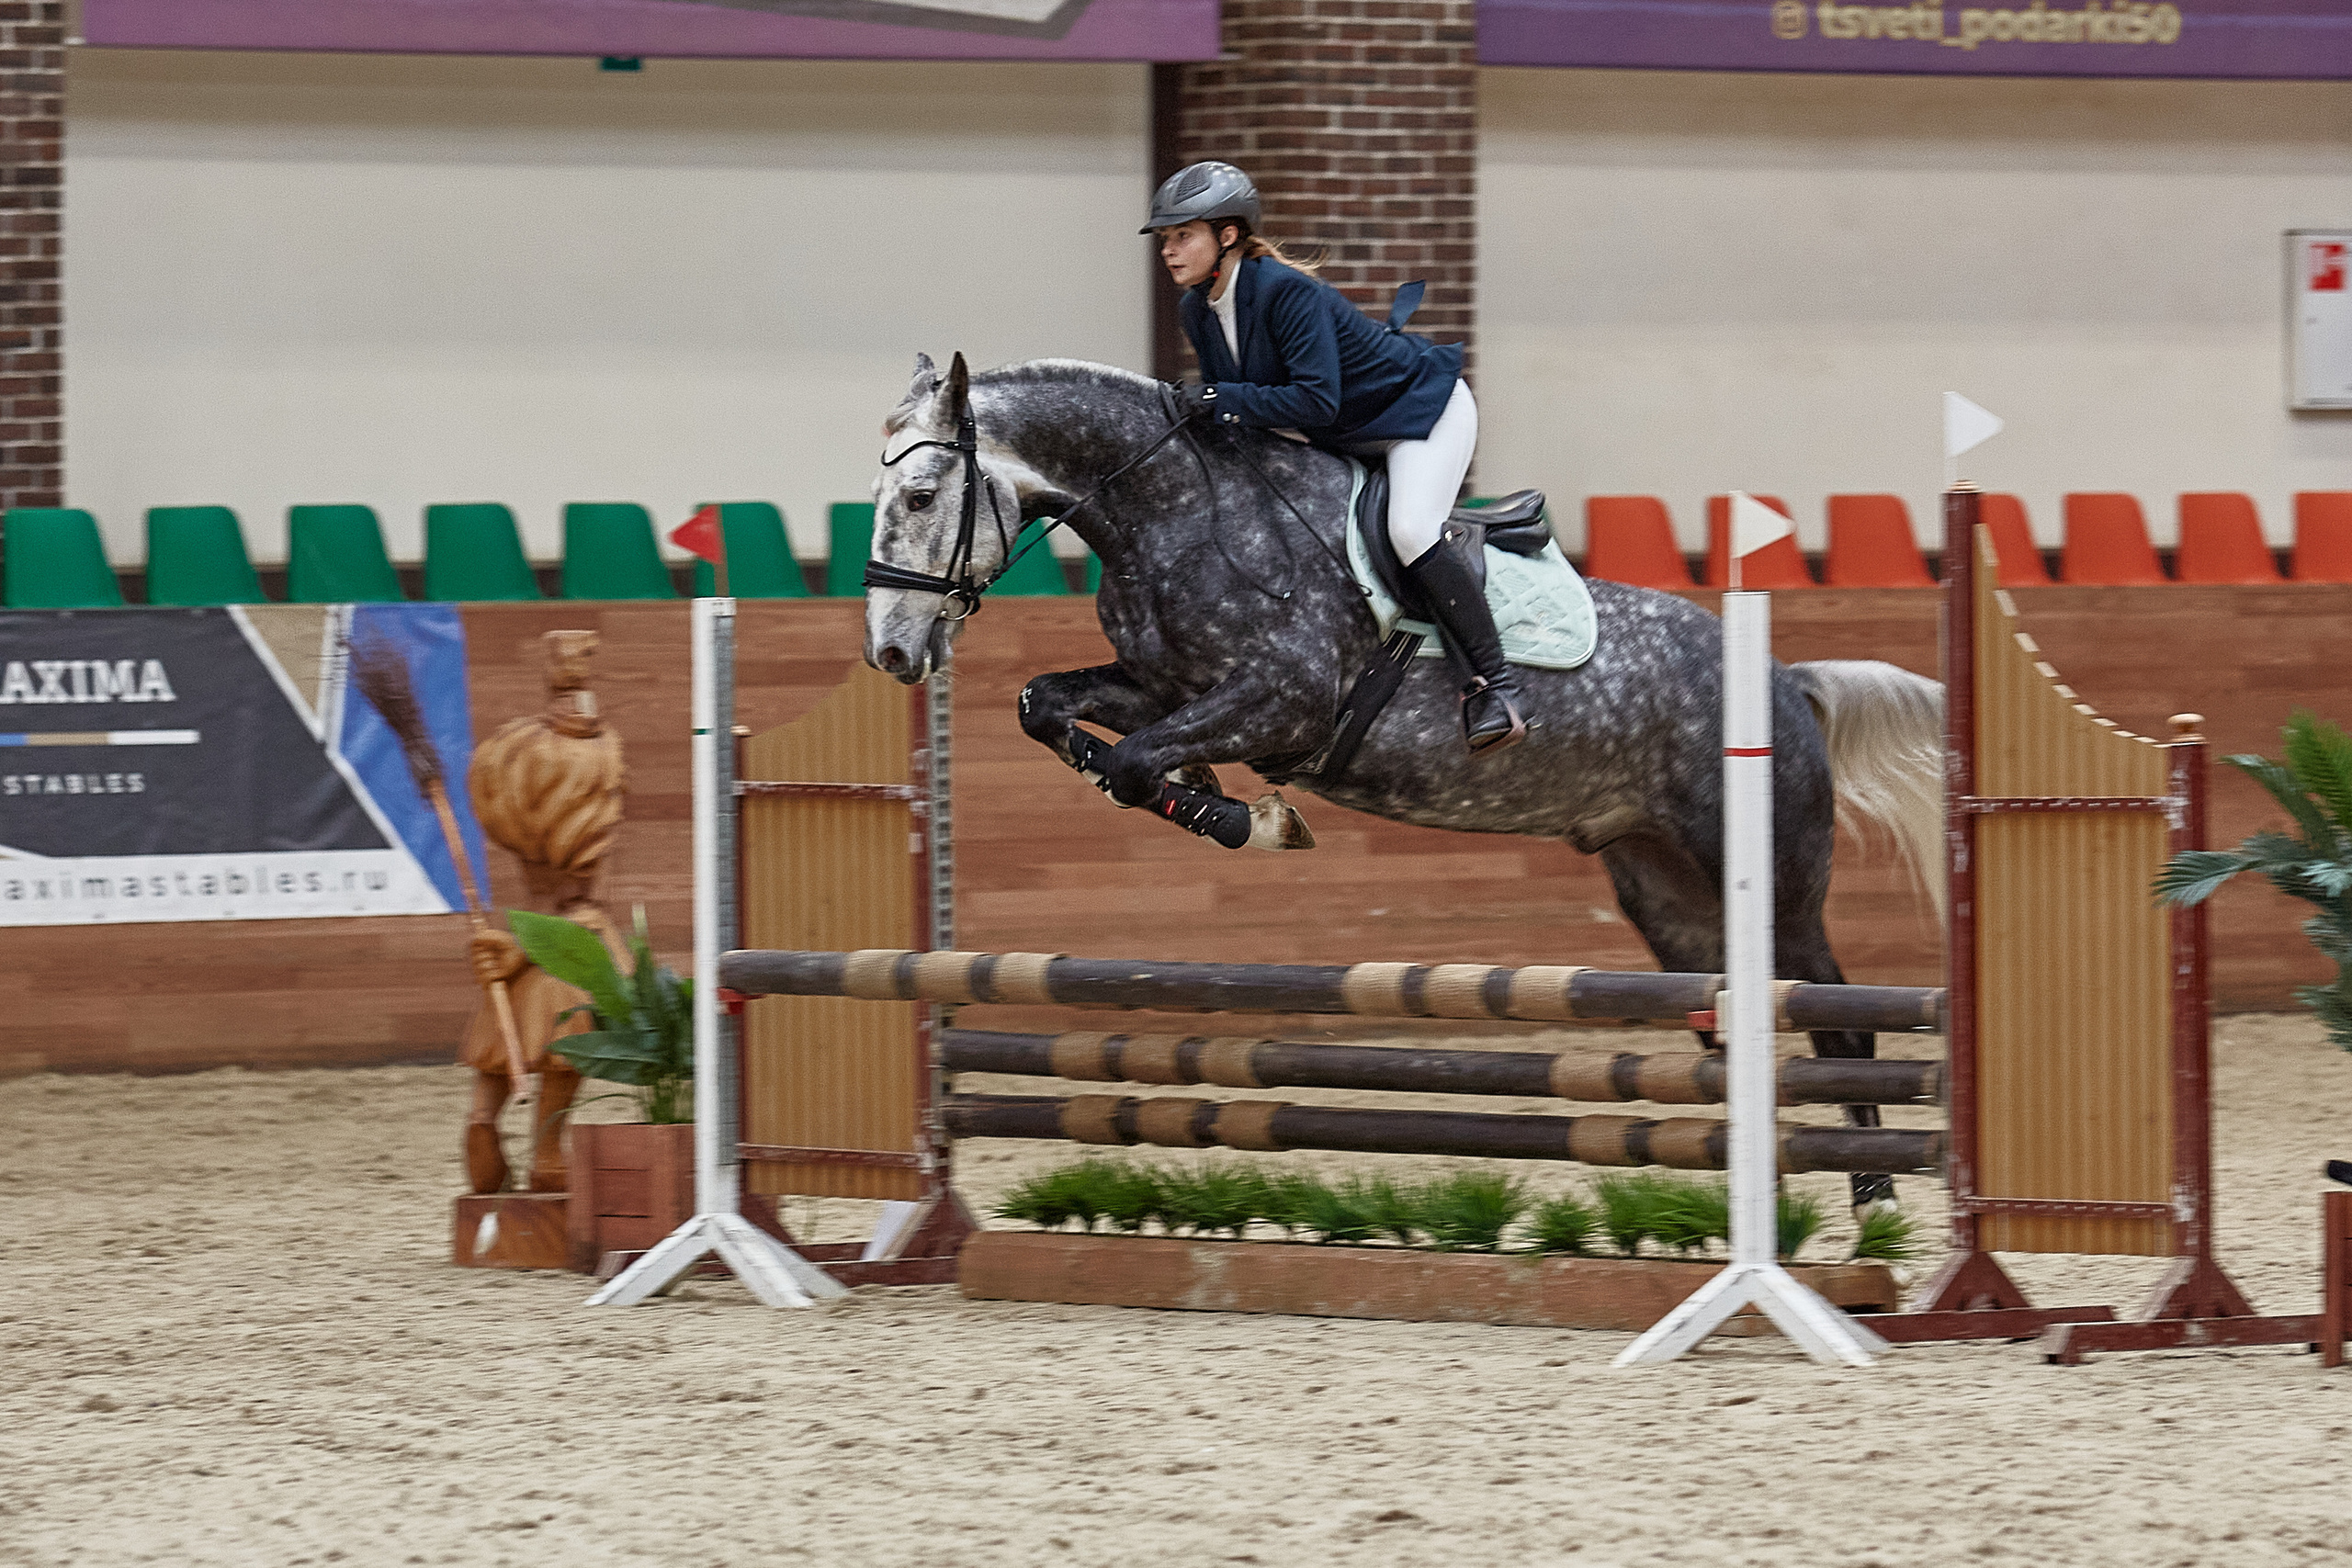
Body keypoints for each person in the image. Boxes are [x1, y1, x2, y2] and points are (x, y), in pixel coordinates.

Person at [1146, 160, 1526, 753]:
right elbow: (1246, 417)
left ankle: (1495, 686)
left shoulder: (1285, 291)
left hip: (1419, 412)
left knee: (1410, 528)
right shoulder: (1197, 308)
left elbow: (1313, 400)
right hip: (1343, 431)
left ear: (1227, 236)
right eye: (1165, 239)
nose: (1169, 250)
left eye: (1182, 235)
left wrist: (1219, 397)